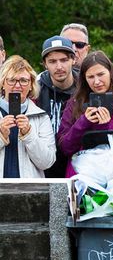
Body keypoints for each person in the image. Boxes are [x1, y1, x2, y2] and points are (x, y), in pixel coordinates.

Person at [57, 51, 113, 175]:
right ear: (84, 79)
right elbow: (65, 148)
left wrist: (107, 129)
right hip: (80, 177)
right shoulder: (74, 103)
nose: (96, 82)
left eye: (101, 74)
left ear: (110, 73)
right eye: (90, 77)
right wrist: (83, 122)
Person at [0, 55, 55, 178]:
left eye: (24, 80)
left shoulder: (41, 117)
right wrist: (1, 136)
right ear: (3, 83)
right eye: (12, 80)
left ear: (31, 85)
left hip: (29, 192)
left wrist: (29, 134)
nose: (18, 85)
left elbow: (47, 162)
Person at [37, 36, 78, 177]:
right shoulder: (35, 90)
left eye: (64, 60)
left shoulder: (85, 89)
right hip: (44, 167)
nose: (59, 67)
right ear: (45, 64)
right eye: (52, 61)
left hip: (77, 165)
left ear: (74, 60)